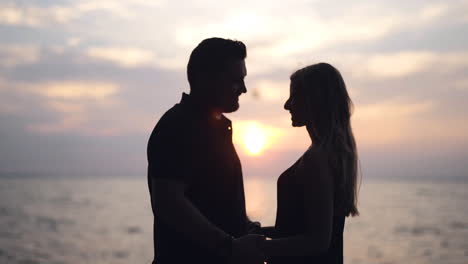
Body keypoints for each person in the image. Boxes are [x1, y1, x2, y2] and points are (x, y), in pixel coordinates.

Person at [147, 37, 264, 264]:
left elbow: (208, 201)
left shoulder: (216, 128)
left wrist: (243, 227)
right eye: (235, 80)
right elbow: (167, 201)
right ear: (206, 78)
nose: (244, 89)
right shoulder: (178, 125)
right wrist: (230, 246)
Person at [259, 63, 360, 264]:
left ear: (315, 100)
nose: (286, 105)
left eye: (294, 96)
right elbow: (299, 228)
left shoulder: (317, 160)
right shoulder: (329, 155)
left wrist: (258, 246)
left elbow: (317, 241)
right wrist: (258, 232)